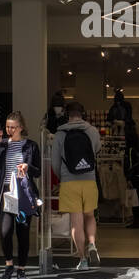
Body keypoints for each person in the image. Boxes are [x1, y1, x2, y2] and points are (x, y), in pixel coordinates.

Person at [0, 111, 41, 279]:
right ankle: (9, 265)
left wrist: (28, 167)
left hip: (23, 193)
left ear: (21, 127)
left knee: (23, 233)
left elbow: (38, 171)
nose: (9, 130)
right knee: (5, 232)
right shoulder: (2, 144)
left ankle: (21, 269)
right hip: (7, 193)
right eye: (7, 127)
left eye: (13, 127)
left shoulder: (31, 146)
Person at [52, 102, 101, 269]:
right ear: (83, 114)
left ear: (67, 114)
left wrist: (63, 177)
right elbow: (96, 151)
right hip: (89, 179)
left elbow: (55, 162)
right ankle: (92, 245)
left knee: (76, 222)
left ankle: (83, 259)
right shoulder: (92, 131)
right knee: (90, 215)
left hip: (69, 181)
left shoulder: (60, 134)